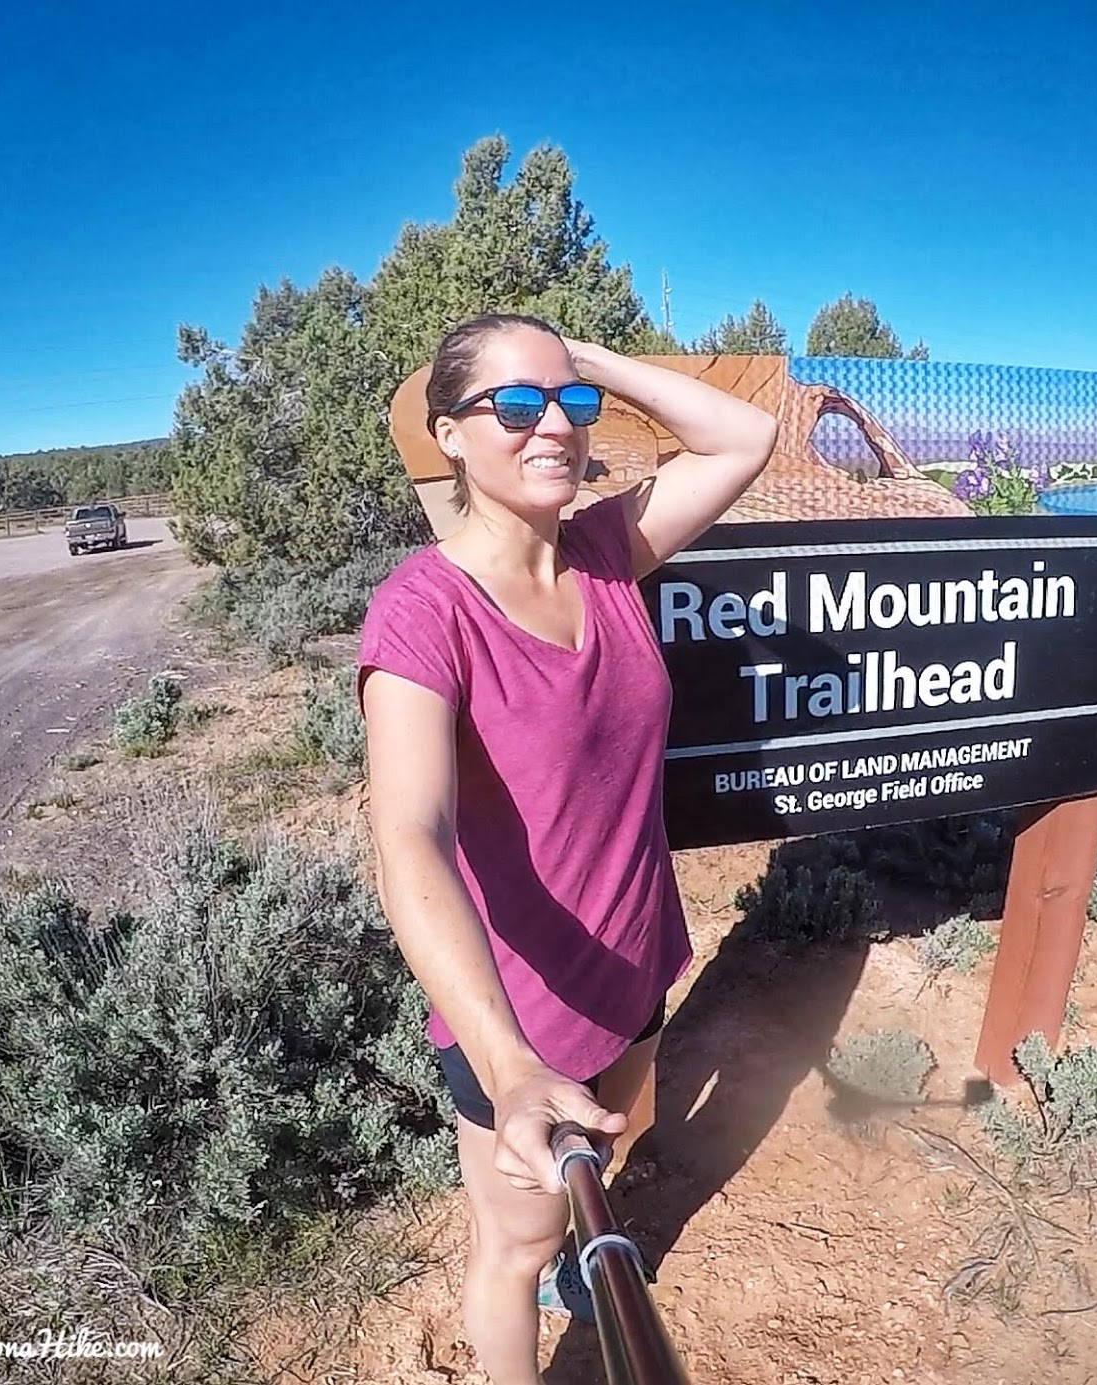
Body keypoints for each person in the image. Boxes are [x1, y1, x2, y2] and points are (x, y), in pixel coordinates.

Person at [357, 312, 778, 1384]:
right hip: (519, 1020)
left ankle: (574, 1271)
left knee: (623, 1136)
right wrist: (507, 1069)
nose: (553, 423)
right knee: (515, 1244)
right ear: (448, 433)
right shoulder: (422, 612)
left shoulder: (602, 553)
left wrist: (572, 359)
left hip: (635, 960)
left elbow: (741, 437)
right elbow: (409, 831)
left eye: (570, 405)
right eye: (513, 403)